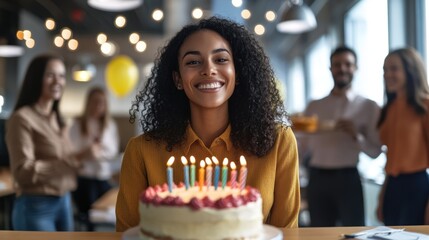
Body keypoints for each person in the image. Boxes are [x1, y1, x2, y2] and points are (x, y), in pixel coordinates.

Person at [115, 16, 300, 231]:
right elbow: (127, 233)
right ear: (177, 79)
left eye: (221, 59)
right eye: (193, 62)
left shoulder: (279, 142)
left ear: (237, 73)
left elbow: (285, 233)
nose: (208, 70)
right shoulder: (141, 151)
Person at [297, 46, 382, 227]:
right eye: (337, 65)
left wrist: (356, 136)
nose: (342, 68)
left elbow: (375, 152)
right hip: (317, 178)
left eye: (348, 64)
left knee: (354, 232)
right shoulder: (314, 106)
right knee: (319, 234)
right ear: (330, 69)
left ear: (355, 68)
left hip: (348, 179)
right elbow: (300, 147)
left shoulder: (369, 106)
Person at [5, 54, 85, 231]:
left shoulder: (58, 119)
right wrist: (67, 163)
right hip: (36, 206)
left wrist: (81, 158)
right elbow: (21, 173)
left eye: (62, 75)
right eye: (50, 75)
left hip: (64, 201)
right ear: (36, 79)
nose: (58, 81)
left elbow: (68, 162)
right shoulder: (22, 119)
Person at [376, 47, 429, 225]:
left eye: (393, 68)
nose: (387, 74)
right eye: (385, 69)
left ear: (410, 70)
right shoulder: (388, 109)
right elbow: (391, 157)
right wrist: (382, 197)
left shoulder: (425, 106)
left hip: (417, 186)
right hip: (392, 186)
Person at [69, 86, 120, 231]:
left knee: (106, 213)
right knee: (88, 219)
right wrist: (87, 152)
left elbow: (112, 152)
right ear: (88, 103)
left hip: (102, 177)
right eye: (95, 102)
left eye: (102, 102)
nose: (98, 106)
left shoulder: (110, 125)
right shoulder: (77, 124)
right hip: (85, 179)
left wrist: (98, 152)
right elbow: (71, 153)